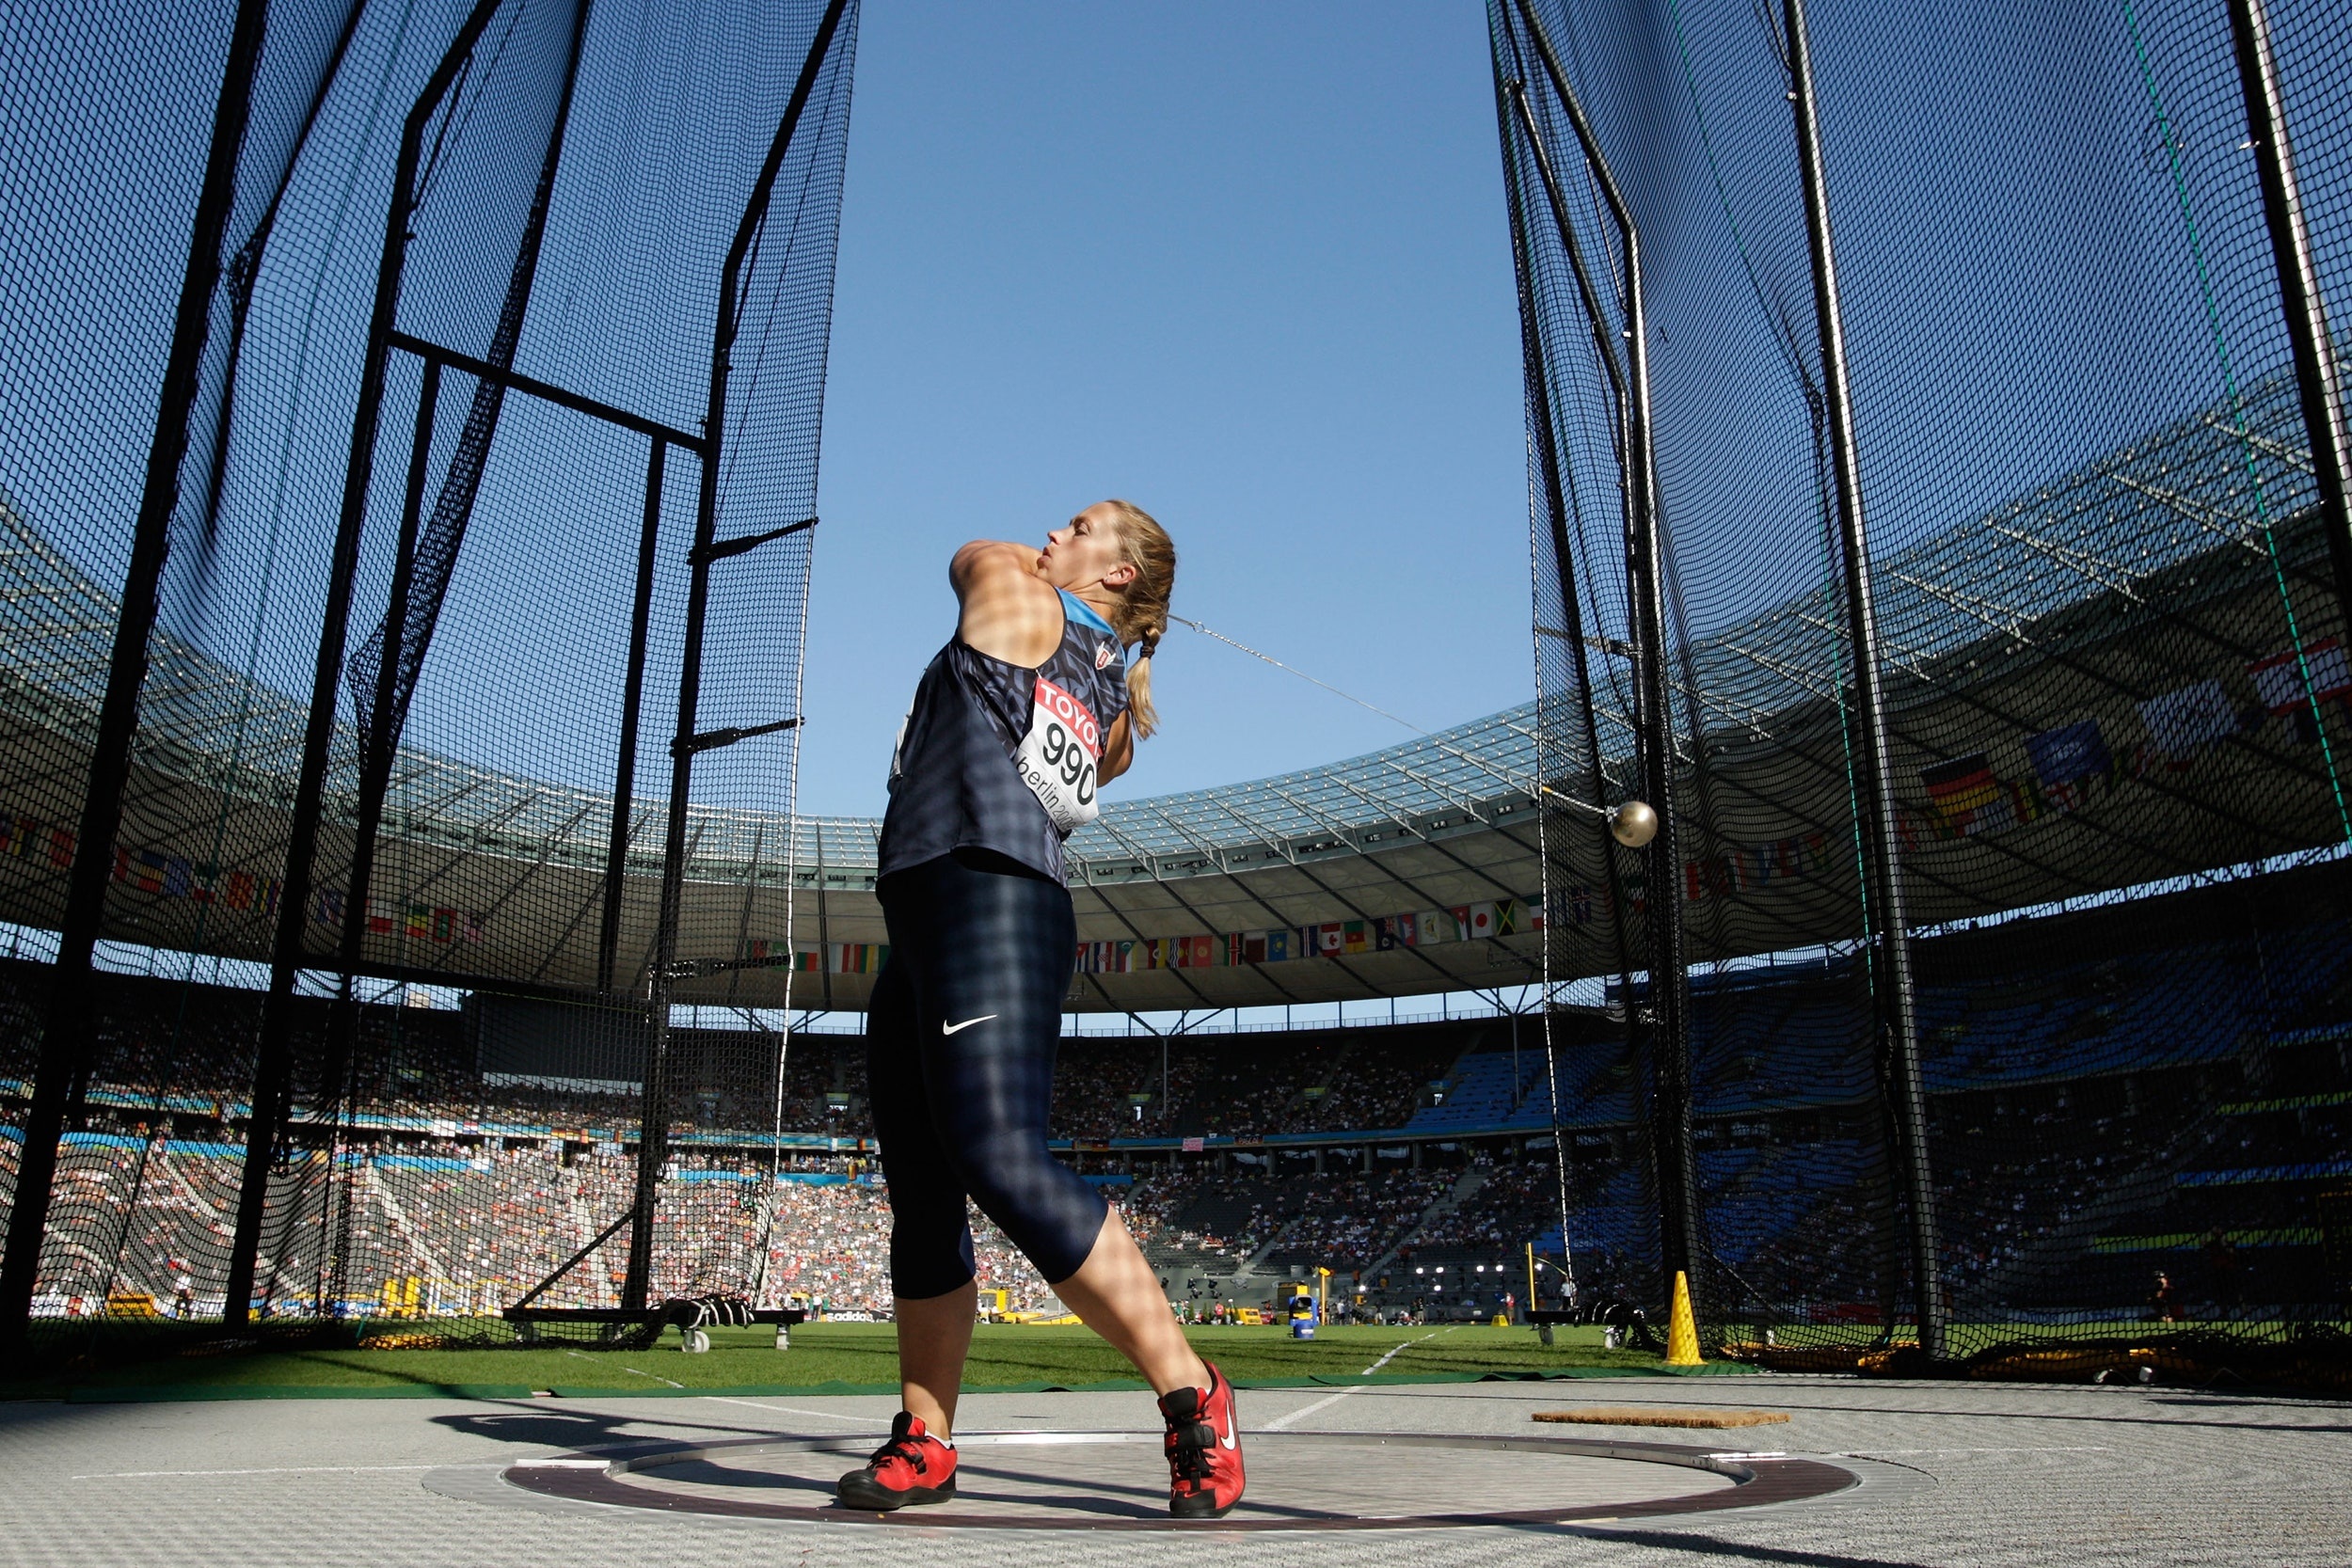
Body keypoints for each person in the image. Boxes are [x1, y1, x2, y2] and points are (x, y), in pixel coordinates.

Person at [837, 501, 1244, 1520]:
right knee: (922, 1187)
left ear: (1114, 573)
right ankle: (925, 1435)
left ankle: (1194, 1392)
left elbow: (969, 550)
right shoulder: (1103, 687)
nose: (1050, 528)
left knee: (998, 1156)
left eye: (1080, 523)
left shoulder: (1018, 592)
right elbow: (1106, 750)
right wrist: (1119, 620)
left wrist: (1043, 568)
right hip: (928, 911)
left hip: (989, 896)